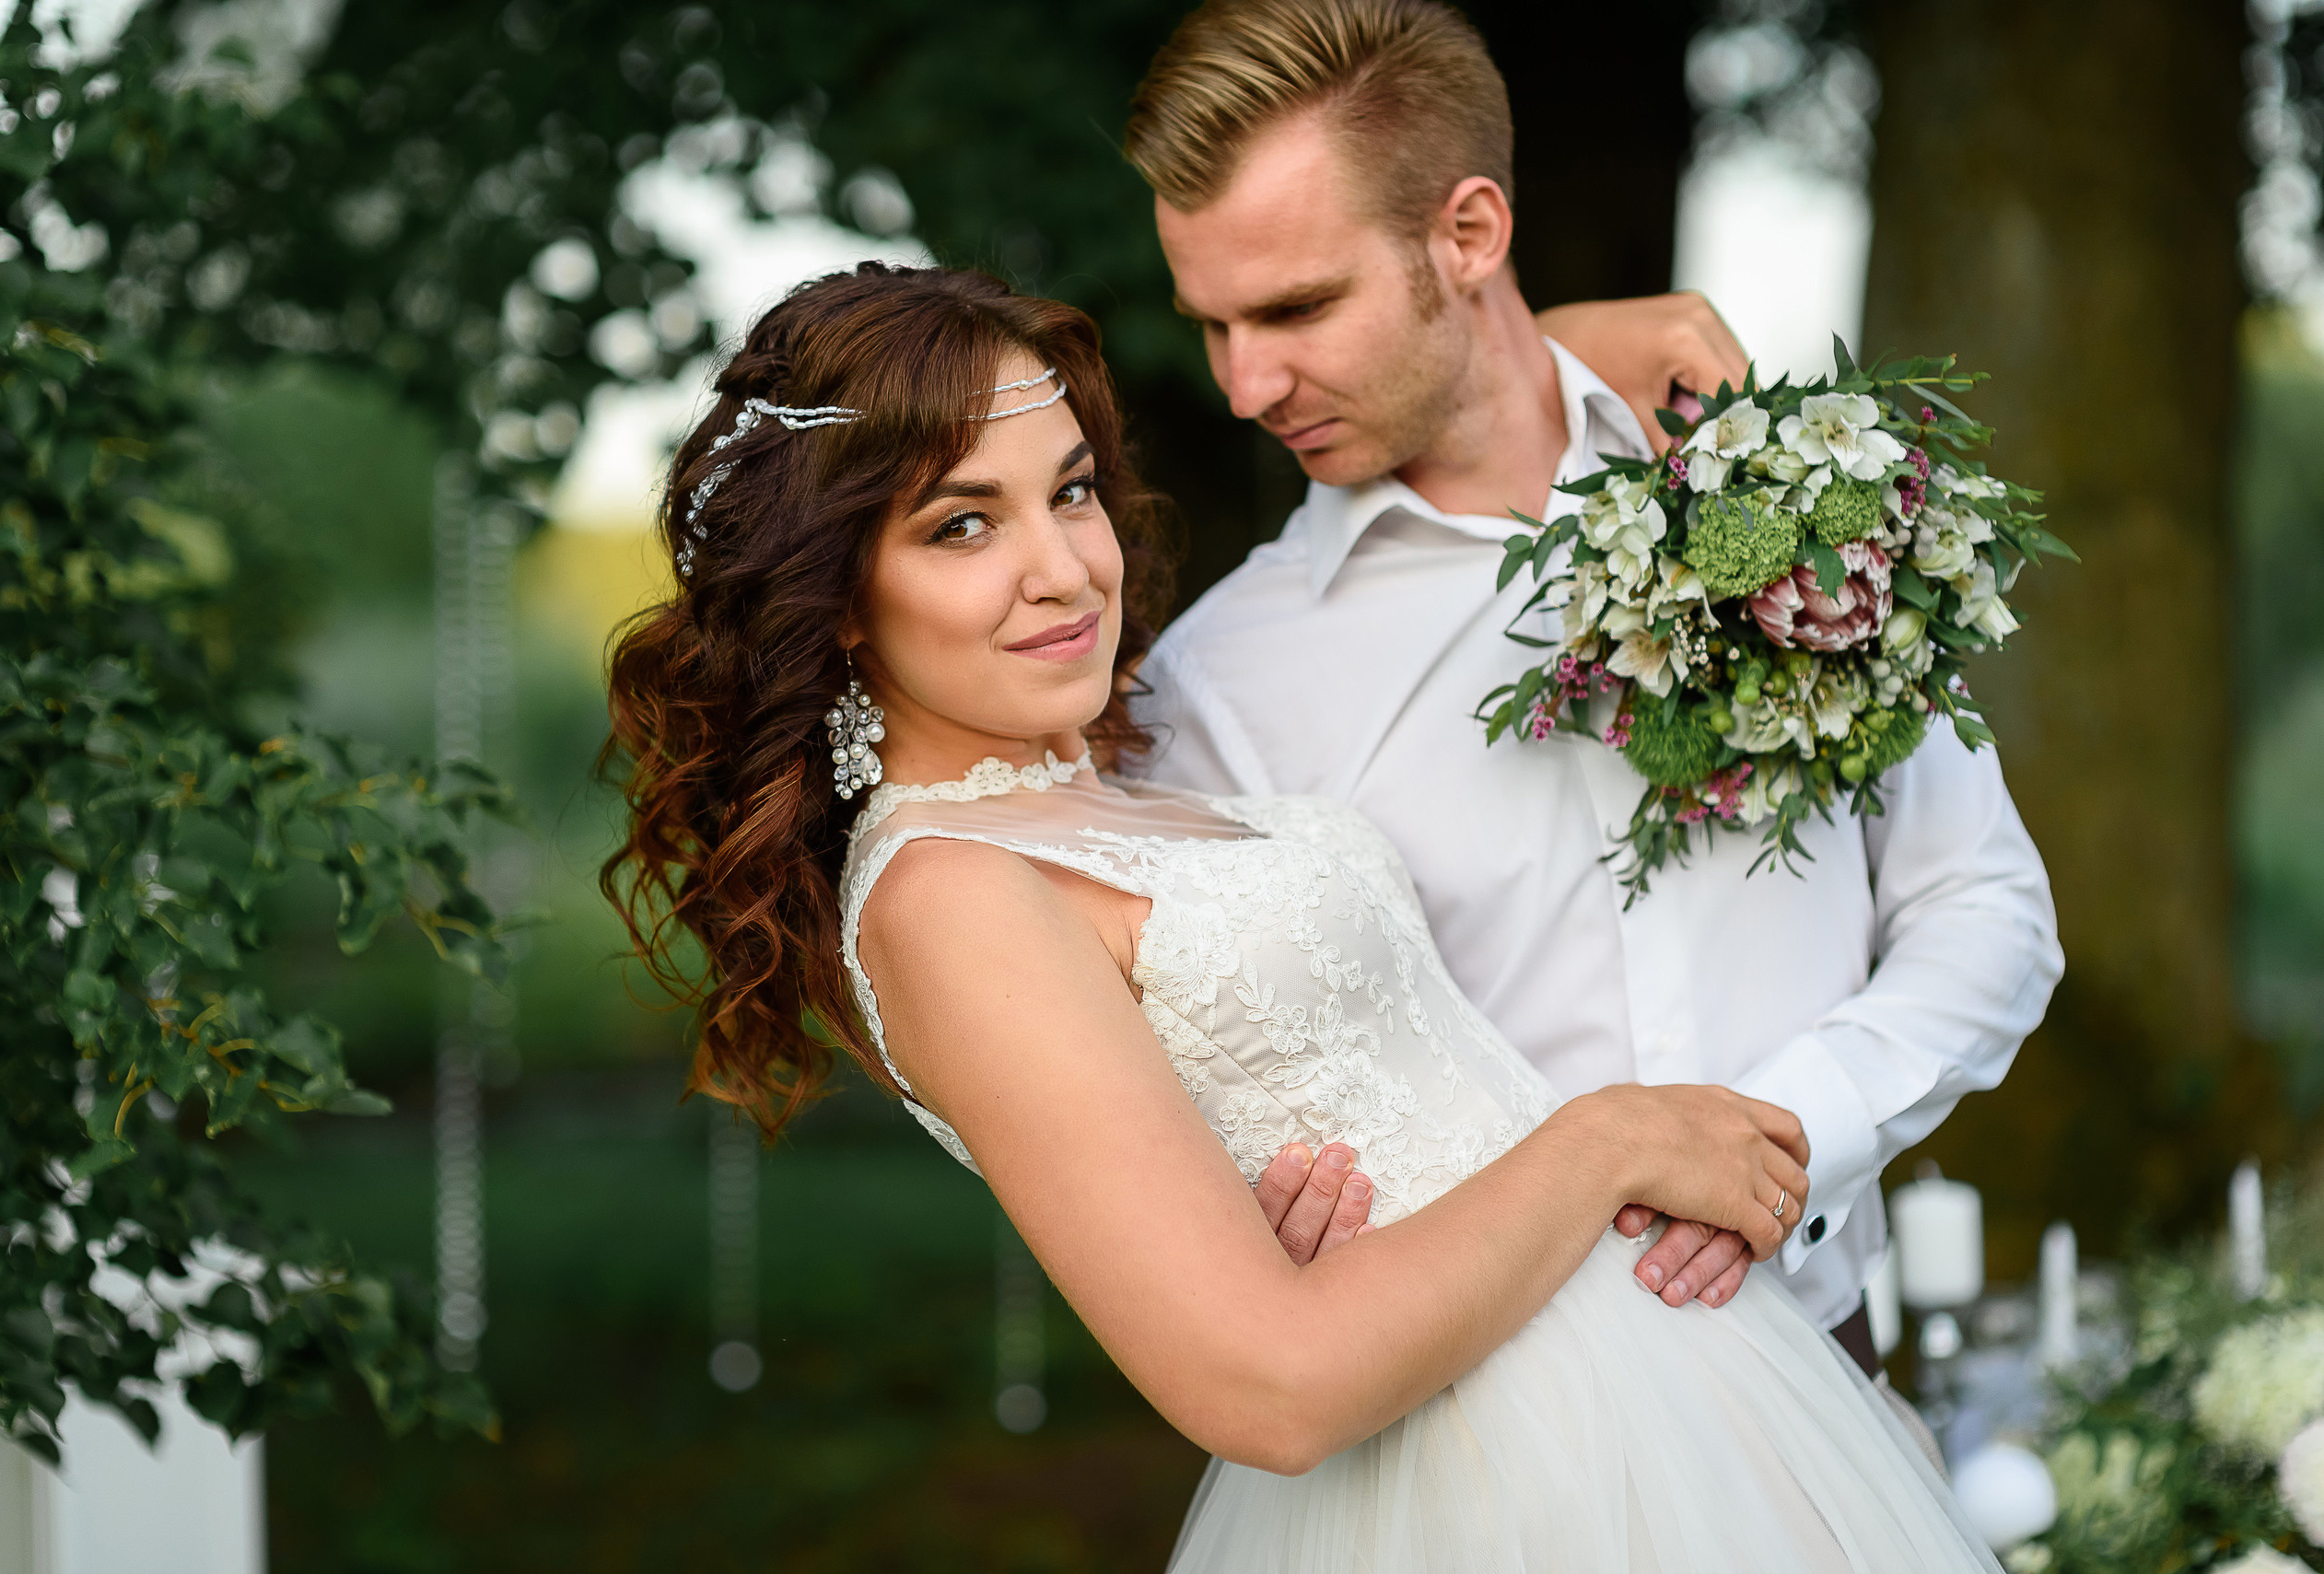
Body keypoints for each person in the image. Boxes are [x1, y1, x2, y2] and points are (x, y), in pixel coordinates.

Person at [603, 262, 2003, 1568]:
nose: (1062, 569)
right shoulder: (945, 897)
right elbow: (1268, 1384)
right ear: (840, 596)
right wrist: (1611, 1135)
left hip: (1651, 1385)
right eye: (963, 523)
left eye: (1071, 491)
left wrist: (1556, 351)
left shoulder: (1087, 775)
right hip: (1497, 1481)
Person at [1121, 0, 2062, 1381]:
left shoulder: (1789, 502)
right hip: (1487, 1443)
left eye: (1297, 307)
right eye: (1211, 323)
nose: (1247, 382)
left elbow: (1986, 907)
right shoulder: (1217, 684)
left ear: (1470, 234)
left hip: (1833, 1380)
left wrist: (1786, 1138)